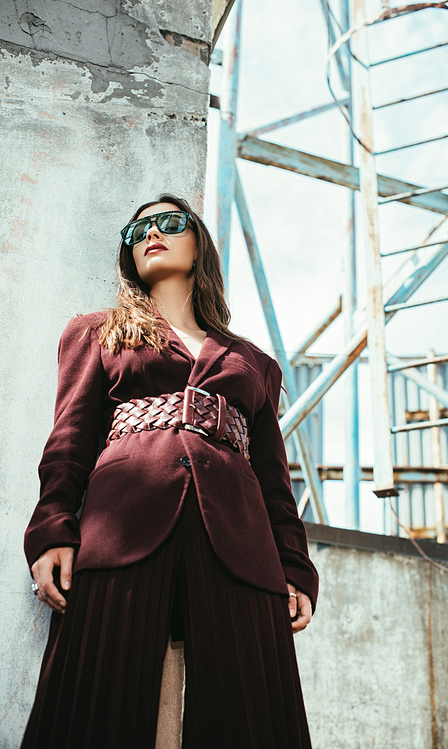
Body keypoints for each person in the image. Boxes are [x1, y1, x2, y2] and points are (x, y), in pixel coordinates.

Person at [21, 193, 320, 749]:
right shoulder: (97, 332)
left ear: (197, 242)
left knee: (253, 716)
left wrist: (295, 566)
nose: (150, 233)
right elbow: (68, 441)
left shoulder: (254, 362)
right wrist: (52, 530)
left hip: (240, 544)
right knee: (89, 707)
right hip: (120, 533)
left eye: (167, 222)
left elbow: (275, 480)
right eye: (137, 230)